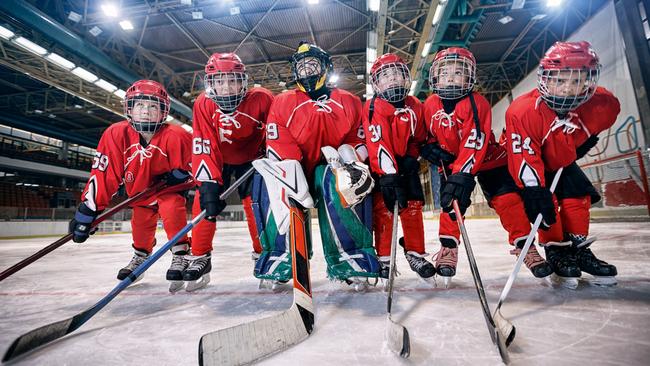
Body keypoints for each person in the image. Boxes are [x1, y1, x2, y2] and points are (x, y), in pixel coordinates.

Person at [253, 42, 380, 290]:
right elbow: (276, 137)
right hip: (295, 169)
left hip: (332, 170)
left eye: (312, 64)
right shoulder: (282, 101)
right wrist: (292, 170)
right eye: (300, 66)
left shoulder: (350, 101)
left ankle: (350, 257)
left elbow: (358, 139)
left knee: (345, 180)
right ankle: (283, 257)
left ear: (325, 67)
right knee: (269, 181)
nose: (306, 70)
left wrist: (347, 158)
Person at [422, 47, 553, 287]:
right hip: (451, 163)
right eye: (445, 72)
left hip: (489, 159)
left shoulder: (477, 102)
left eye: (459, 72)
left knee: (508, 201)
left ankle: (527, 247)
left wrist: (461, 175)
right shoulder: (429, 104)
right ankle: (448, 250)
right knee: (452, 205)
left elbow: (475, 139)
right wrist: (427, 147)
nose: (451, 77)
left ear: (470, 76)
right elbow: (425, 134)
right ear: (435, 77)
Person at [505, 41, 620, 286]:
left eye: (576, 81)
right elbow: (525, 156)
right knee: (546, 203)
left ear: (589, 80)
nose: (568, 88)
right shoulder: (523, 110)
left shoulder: (603, 105)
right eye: (560, 80)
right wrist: (534, 190)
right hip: (530, 162)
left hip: (560, 159)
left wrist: (577, 146)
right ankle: (556, 248)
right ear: (546, 79)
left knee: (578, 195)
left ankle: (578, 249)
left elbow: (589, 130)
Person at [69, 80, 193, 288]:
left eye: (153, 106)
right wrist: (88, 210)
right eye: (140, 105)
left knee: (172, 212)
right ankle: (140, 255)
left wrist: (184, 174)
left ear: (163, 111)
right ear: (129, 109)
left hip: (168, 191)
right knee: (140, 224)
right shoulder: (115, 134)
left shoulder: (178, 135)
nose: (146, 111)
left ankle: (180, 253)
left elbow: (198, 165)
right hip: (139, 193)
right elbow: (103, 173)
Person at [189, 52, 274, 291]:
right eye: (219, 81)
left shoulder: (263, 98)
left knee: (256, 204)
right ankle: (200, 256)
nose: (226, 87)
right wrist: (208, 183)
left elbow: (277, 130)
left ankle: (263, 254)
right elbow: (204, 142)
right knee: (203, 203)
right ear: (211, 83)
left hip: (253, 159)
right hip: (220, 160)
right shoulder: (203, 104)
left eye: (233, 80)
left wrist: (271, 154)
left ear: (243, 81)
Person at [362, 53, 433, 280]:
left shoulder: (415, 105)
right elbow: (378, 143)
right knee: (384, 209)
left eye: (396, 74)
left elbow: (417, 137)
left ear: (405, 78)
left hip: (403, 164)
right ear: (376, 83)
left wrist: (413, 156)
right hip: (381, 169)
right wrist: (389, 175)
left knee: (413, 207)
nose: (391, 79)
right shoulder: (373, 106)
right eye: (385, 76)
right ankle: (384, 258)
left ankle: (415, 252)